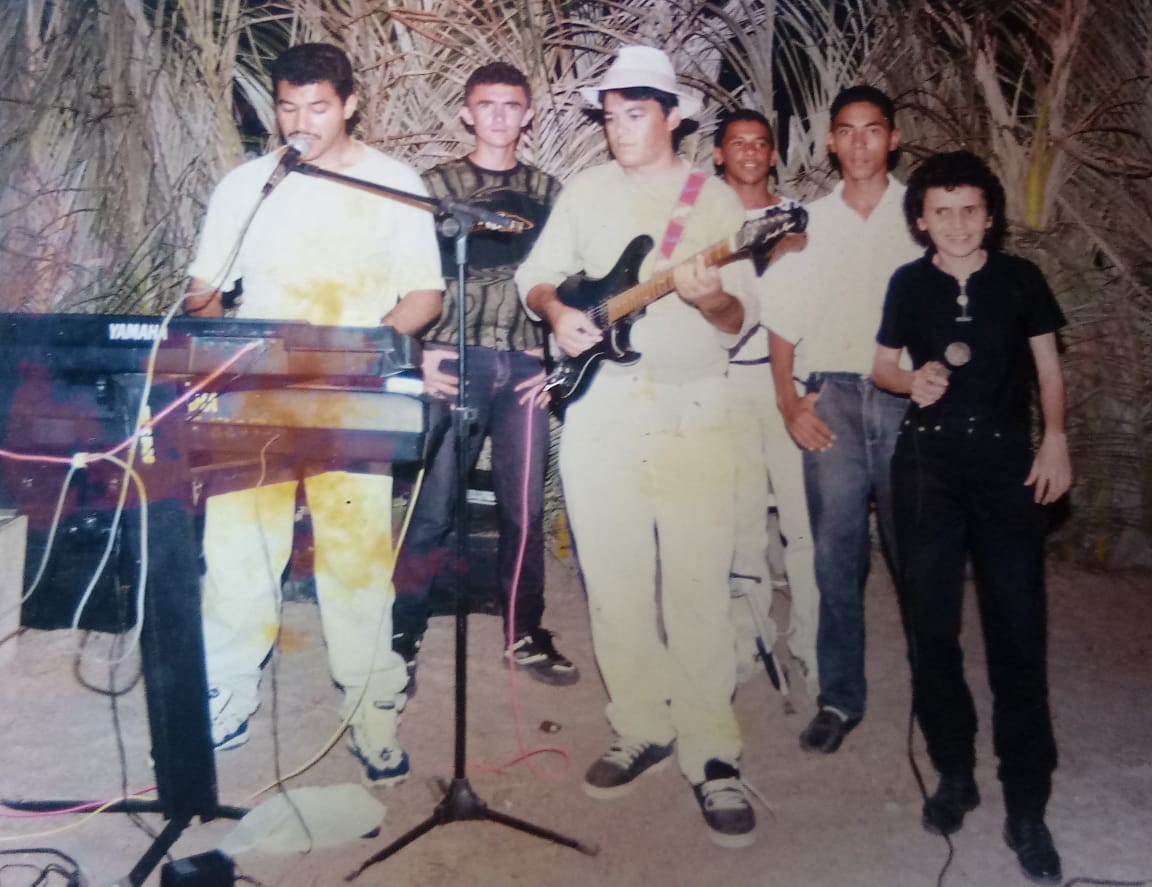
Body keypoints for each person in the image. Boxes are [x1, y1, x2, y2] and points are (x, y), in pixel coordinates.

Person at [516, 46, 758, 848]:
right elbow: (537, 275)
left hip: (691, 408)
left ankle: (713, 753)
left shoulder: (716, 201)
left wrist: (712, 298)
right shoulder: (585, 191)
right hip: (602, 410)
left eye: (636, 113)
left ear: (673, 116)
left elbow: (740, 319)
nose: (619, 128)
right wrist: (558, 312)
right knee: (614, 582)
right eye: (611, 114)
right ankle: (641, 726)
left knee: (697, 584)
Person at [183, 43, 444, 786]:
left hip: (350, 392)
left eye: (318, 107)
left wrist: (364, 352)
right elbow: (205, 290)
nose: (301, 123)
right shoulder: (247, 185)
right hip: (259, 393)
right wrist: (213, 331)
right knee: (238, 551)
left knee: (356, 557)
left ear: (350, 104)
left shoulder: (396, 183)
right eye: (288, 107)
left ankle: (371, 708)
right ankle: (227, 693)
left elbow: (425, 296)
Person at [872, 150, 1069, 884]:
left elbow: (1048, 368)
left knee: (1018, 632)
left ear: (990, 216)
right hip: (927, 469)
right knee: (932, 630)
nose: (956, 224)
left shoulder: (1021, 279)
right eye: (941, 211)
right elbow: (881, 365)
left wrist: (1056, 438)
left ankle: (1028, 805)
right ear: (921, 220)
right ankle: (955, 770)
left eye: (969, 210)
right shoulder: (908, 283)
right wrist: (910, 379)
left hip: (1006, 468)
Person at [390, 62, 578, 688]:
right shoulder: (435, 186)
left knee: (523, 511)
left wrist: (553, 361)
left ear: (528, 114)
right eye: (487, 104)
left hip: (524, 366)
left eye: (511, 105)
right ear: (467, 112)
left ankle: (524, 632)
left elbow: (571, 281)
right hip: (452, 360)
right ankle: (401, 635)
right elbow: (399, 272)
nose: (499, 116)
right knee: (432, 509)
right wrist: (418, 353)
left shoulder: (550, 192)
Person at [761, 85, 922, 753]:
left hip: (907, 399)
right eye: (847, 131)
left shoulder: (921, 217)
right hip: (831, 398)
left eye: (872, 129)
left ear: (893, 138)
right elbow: (780, 324)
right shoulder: (808, 225)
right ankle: (840, 697)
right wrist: (788, 401)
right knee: (835, 553)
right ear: (831, 141)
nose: (860, 143)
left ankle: (936, 691)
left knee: (918, 550)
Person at [713, 109, 819, 691]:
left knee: (802, 522)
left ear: (773, 154)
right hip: (726, 382)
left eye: (760, 143)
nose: (750, 152)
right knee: (742, 523)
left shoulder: (799, 219)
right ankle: (749, 640)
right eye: (738, 143)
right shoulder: (707, 218)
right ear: (719, 154)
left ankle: (810, 640)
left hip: (788, 385)